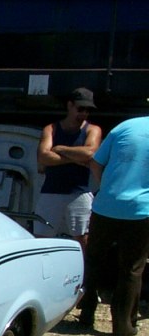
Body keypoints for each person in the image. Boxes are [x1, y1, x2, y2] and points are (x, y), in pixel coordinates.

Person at [77, 115, 149, 336]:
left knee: (94, 260)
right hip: (141, 210)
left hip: (105, 206)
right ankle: (123, 325)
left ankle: (86, 313)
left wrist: (106, 189)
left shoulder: (125, 126)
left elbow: (96, 162)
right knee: (132, 269)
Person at [34, 87, 102, 248]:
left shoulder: (93, 130)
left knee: (82, 239)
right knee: (41, 238)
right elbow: (43, 157)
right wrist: (76, 158)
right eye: (80, 109)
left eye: (87, 110)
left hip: (79, 193)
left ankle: (84, 265)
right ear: (70, 105)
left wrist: (60, 149)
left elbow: (90, 153)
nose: (84, 113)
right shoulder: (51, 129)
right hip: (51, 191)